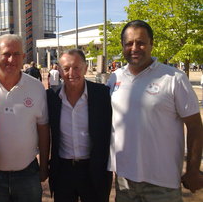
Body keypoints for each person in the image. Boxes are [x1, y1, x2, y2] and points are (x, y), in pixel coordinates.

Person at [107, 20, 203, 201]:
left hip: (163, 183)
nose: (134, 47)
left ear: (152, 43)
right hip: (124, 181)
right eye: (129, 43)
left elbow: (195, 126)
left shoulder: (174, 78)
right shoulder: (114, 78)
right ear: (122, 46)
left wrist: (192, 170)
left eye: (141, 42)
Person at [0, 34, 50, 202]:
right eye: (6, 54)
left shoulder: (36, 87)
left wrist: (44, 165)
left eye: (16, 54)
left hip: (28, 173)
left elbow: (43, 128)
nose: (11, 59)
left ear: (23, 57)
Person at [47, 49, 112, 202]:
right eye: (66, 68)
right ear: (60, 70)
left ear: (85, 68)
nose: (71, 72)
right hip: (63, 170)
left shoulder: (102, 95)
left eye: (76, 67)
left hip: (94, 169)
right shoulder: (51, 98)